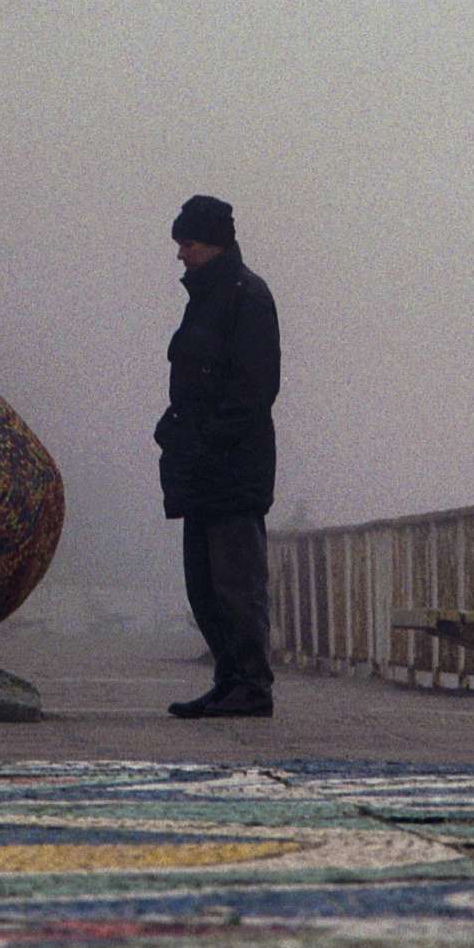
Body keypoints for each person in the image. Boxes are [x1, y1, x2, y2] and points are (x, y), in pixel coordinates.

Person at [154, 191, 280, 718]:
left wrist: (207, 439)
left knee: (236, 584)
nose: (181, 253)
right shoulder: (208, 299)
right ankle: (228, 681)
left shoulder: (247, 297)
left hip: (231, 468)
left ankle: (251, 684)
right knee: (203, 586)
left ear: (213, 244)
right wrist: (176, 434)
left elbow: (255, 388)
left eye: (188, 243)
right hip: (201, 468)